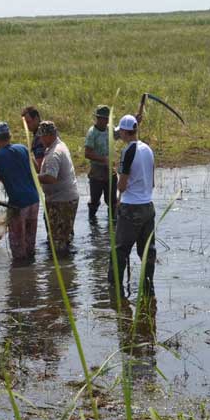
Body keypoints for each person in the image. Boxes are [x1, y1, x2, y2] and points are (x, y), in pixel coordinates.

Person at [108, 114, 156, 295]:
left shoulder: (128, 151)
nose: (119, 135)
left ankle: (114, 291)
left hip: (131, 208)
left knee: (119, 252)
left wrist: (118, 190)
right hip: (148, 207)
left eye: (120, 132)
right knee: (147, 252)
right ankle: (148, 288)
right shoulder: (148, 149)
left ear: (125, 132)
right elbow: (152, 183)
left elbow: (122, 184)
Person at [0, 122, 39, 262]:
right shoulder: (23, 148)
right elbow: (37, 168)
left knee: (17, 244)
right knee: (30, 241)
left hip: (17, 205)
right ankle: (31, 270)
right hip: (34, 200)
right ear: (9, 136)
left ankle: (20, 276)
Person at [37, 121, 80, 254]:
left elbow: (51, 177)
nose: (40, 139)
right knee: (63, 236)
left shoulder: (54, 153)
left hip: (61, 202)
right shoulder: (60, 145)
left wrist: (34, 177)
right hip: (66, 198)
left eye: (42, 136)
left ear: (49, 135)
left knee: (58, 241)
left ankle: (61, 269)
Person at [85, 105, 118, 222]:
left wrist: (135, 121)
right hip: (97, 172)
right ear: (98, 119)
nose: (105, 121)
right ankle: (92, 222)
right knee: (94, 201)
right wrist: (103, 159)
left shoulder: (110, 129)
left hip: (110, 171)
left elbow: (123, 133)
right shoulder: (92, 133)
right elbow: (87, 153)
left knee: (112, 201)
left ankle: (113, 224)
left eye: (107, 119)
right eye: (102, 118)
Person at [21, 106, 45, 171]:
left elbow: (39, 167)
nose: (27, 126)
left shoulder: (41, 137)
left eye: (28, 122)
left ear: (36, 118)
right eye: (25, 123)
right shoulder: (46, 130)